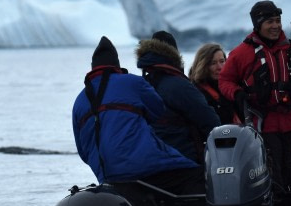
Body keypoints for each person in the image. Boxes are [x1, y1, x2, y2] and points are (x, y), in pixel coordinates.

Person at [72, 36, 203, 196]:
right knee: (194, 174)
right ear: (116, 65)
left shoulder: (79, 101)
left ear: (93, 68)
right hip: (145, 166)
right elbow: (158, 110)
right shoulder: (132, 82)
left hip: (107, 176)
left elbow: (83, 151)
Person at [218, 0, 291, 191]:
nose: (275, 26)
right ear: (258, 25)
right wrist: (237, 93)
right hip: (261, 126)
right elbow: (224, 81)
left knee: (288, 170)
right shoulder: (241, 53)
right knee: (272, 176)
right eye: (269, 22)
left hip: (290, 125)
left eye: (277, 20)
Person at [136, 30, 221, 165]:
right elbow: (210, 121)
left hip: (147, 160)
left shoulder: (142, 84)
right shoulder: (179, 85)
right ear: (174, 54)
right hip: (181, 160)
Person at [188, 43, 239, 125]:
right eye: (213, 63)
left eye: (222, 61)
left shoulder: (232, 87)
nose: (219, 67)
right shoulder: (196, 93)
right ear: (203, 65)